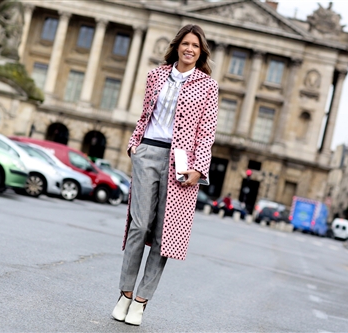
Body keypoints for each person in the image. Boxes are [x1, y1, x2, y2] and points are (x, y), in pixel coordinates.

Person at [111, 24, 219, 326]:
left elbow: (206, 133)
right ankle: (124, 293)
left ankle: (141, 302)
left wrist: (199, 168)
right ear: (177, 46)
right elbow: (145, 115)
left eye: (195, 46)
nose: (189, 49)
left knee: (164, 234)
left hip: (182, 163)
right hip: (148, 152)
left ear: (201, 52)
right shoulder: (156, 75)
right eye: (185, 44)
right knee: (139, 225)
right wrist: (135, 145)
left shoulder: (208, 86)